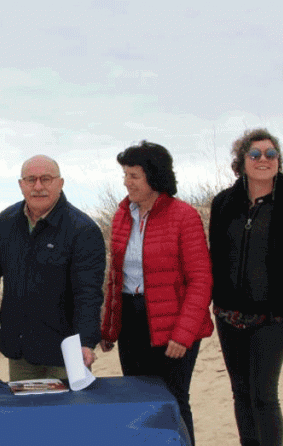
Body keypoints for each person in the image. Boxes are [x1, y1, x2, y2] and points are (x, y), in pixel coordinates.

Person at [209, 128, 283, 446]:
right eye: (256, 154)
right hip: (228, 316)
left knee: (263, 395)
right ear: (241, 161)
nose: (264, 159)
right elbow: (214, 259)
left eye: (271, 154)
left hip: (272, 317)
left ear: (279, 161)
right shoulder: (223, 204)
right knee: (241, 394)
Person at [0, 155, 106, 381]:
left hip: (66, 354)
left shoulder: (83, 230)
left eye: (46, 179)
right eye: (31, 180)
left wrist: (86, 342)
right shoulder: (8, 220)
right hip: (20, 350)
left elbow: (88, 294)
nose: (38, 186)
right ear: (21, 185)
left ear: (60, 183)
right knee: (24, 414)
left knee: (63, 416)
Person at [99, 141, 213, 446]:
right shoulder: (123, 215)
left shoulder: (183, 216)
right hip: (132, 321)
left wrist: (183, 334)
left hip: (173, 325)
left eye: (134, 175)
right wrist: (109, 327)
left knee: (173, 401)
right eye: (125, 174)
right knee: (137, 399)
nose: (127, 182)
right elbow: (115, 277)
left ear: (154, 176)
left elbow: (201, 280)